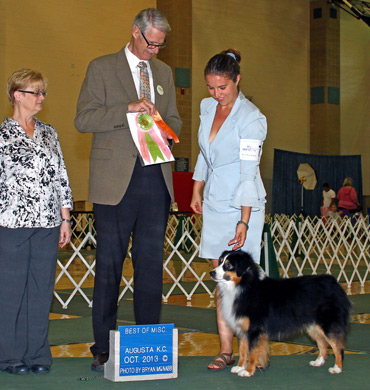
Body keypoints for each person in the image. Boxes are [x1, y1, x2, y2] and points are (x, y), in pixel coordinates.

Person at [74, 8, 182, 371]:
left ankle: (149, 345)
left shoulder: (164, 72)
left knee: (151, 265)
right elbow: (84, 118)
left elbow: (176, 120)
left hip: (155, 177)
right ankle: (102, 347)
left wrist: (165, 127)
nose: (156, 51)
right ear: (135, 32)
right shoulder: (101, 67)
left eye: (160, 46)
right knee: (108, 265)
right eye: (152, 43)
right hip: (114, 181)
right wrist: (129, 110)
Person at [190, 49, 267, 371]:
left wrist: (244, 222)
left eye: (223, 87)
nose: (216, 94)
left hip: (242, 205)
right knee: (223, 283)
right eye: (210, 87)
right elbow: (205, 153)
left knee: (245, 286)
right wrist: (196, 186)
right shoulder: (207, 108)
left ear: (237, 80)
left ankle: (255, 350)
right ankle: (225, 350)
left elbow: (248, 173)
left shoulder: (252, 119)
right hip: (214, 203)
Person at [0, 69, 73, 375]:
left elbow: (61, 175)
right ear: (17, 95)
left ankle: (38, 354)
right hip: (11, 223)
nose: (41, 98)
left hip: (47, 222)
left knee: (41, 291)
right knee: (11, 292)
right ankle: (9, 356)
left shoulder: (49, 133)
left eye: (43, 92)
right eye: (35, 93)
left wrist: (65, 217)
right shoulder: (2, 136)